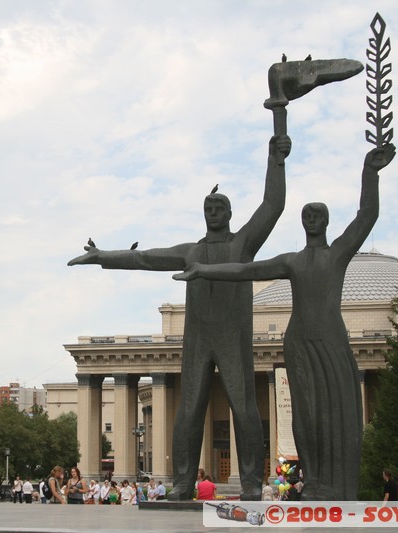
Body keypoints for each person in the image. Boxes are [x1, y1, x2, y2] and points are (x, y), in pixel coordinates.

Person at [69, 135, 292, 501]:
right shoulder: (192, 252)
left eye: (219, 207)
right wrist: (102, 255)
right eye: (208, 207)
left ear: (230, 214)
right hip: (198, 340)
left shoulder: (242, 244)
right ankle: (184, 482)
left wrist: (276, 160)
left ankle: (252, 483)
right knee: (188, 411)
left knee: (244, 408)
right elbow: (145, 258)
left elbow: (273, 204)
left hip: (232, 338)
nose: (213, 212)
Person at [175, 143, 396, 500]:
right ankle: (316, 482)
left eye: (317, 215)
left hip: (330, 340)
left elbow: (365, 216)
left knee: (337, 411)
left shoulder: (337, 254)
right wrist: (203, 269)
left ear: (327, 221)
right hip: (298, 342)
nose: (311, 219)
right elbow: (245, 270)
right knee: (305, 416)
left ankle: (334, 484)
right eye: (306, 215)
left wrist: (370, 174)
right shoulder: (291, 260)